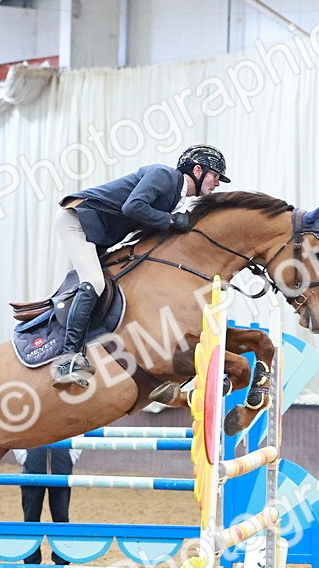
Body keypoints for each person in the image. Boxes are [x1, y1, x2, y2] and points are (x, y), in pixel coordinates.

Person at [50, 144, 231, 388]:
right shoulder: (164, 175)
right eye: (216, 176)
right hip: (78, 221)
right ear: (198, 170)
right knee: (93, 281)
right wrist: (170, 220)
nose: (217, 184)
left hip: (100, 233)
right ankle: (68, 360)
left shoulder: (175, 201)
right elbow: (132, 207)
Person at [14, 446, 82, 568]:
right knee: (30, 518)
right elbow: (17, 427)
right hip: (32, 470)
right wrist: (25, 457)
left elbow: (77, 430)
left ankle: (62, 564)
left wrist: (71, 456)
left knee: (61, 518)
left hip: (61, 468)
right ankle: (31, 565)